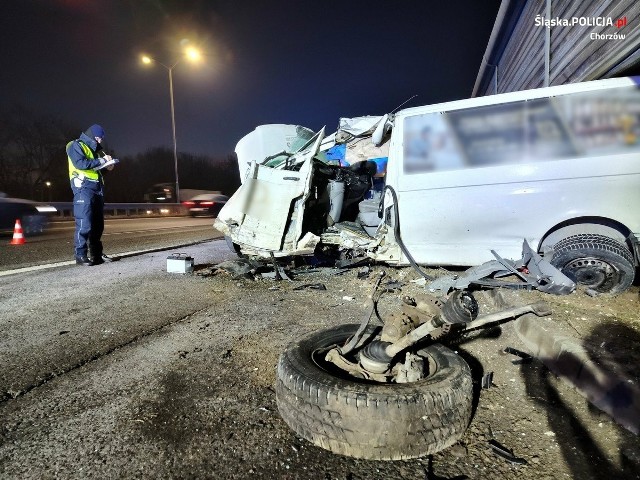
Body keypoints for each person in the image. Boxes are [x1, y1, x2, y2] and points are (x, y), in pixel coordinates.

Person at [66, 124, 116, 266]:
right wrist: (102, 161)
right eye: (98, 138)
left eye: (101, 138)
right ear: (92, 135)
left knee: (98, 225)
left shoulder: (96, 151)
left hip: (97, 189)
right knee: (84, 223)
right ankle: (80, 255)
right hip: (83, 188)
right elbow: (81, 164)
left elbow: (96, 170)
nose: (100, 141)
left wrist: (108, 167)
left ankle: (97, 254)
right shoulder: (75, 145)